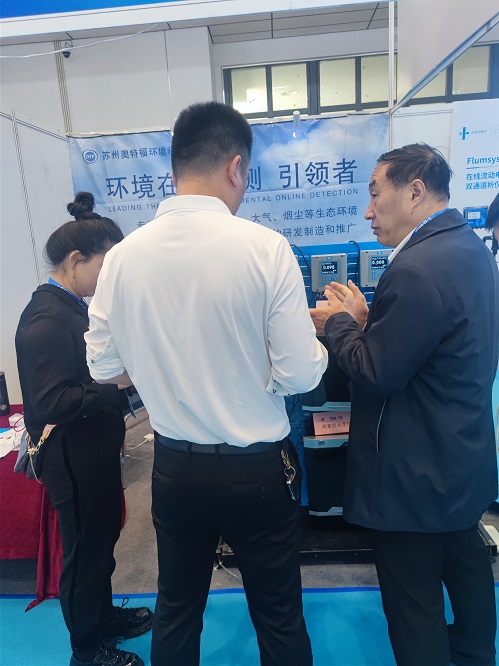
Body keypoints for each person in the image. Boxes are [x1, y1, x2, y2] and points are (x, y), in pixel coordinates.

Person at [85, 101, 328, 666]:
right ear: (235, 167)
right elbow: (299, 374)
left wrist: (163, 364)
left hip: (176, 467)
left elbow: (103, 368)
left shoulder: (121, 258)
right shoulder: (265, 248)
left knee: (177, 605)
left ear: (174, 168)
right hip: (257, 469)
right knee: (278, 613)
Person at [310, 143, 499, 666]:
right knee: (467, 573)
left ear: (415, 191)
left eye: (375, 195)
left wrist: (340, 324)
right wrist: (370, 322)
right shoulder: (469, 248)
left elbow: (376, 372)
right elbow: (436, 346)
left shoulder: (416, 268)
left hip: (414, 476)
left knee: (414, 605)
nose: (368, 212)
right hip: (460, 459)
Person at [15, 192, 153, 666]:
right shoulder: (46, 318)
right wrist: (118, 387)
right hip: (71, 455)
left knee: (101, 542)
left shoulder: (74, 306)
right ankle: (86, 650)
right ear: (76, 260)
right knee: (84, 551)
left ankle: (101, 617)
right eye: (104, 266)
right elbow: (51, 402)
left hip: (93, 447)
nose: (108, 279)